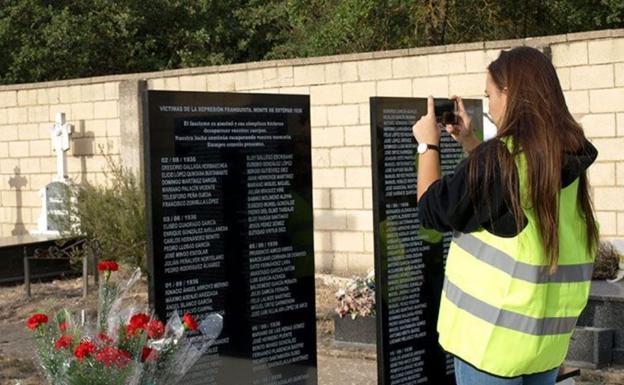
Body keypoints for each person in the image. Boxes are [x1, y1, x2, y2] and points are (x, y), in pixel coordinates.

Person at [412, 46, 599, 385]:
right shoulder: (566, 151)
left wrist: (428, 146)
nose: (490, 107)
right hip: (542, 344)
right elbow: (501, 200)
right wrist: (470, 142)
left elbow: (431, 209)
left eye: (489, 95)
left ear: (509, 93)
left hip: (490, 345)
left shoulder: (504, 159)